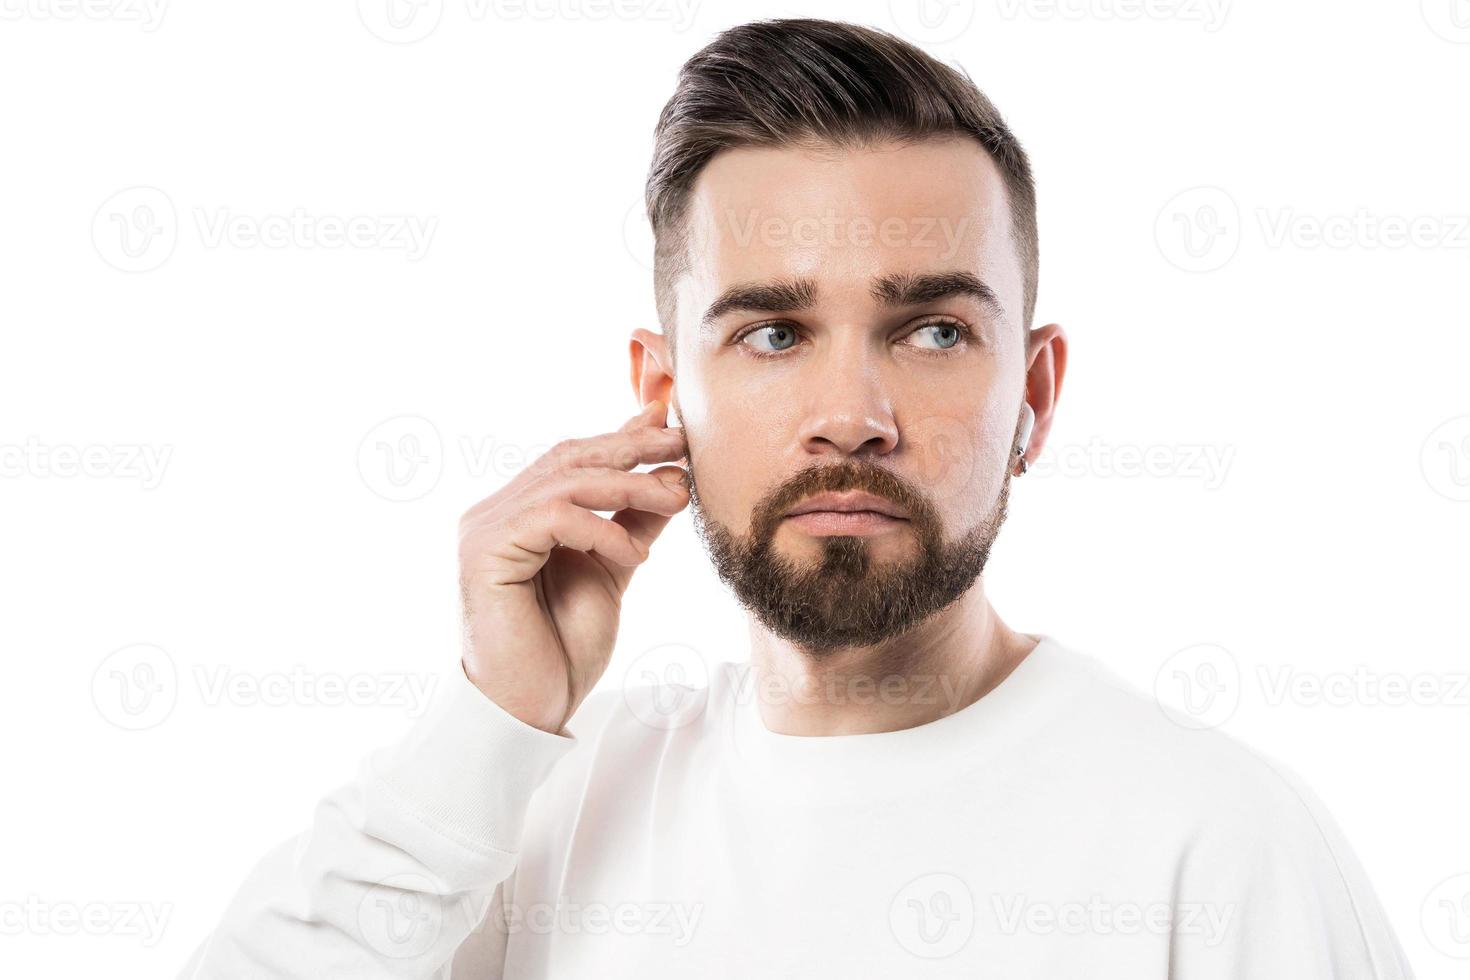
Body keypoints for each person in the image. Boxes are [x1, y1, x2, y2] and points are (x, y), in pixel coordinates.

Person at [181, 18, 1412, 979]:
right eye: (774, 332)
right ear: (665, 391)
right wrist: (490, 718)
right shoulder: (540, 815)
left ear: (1033, 391)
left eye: (931, 328)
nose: (852, 410)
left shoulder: (1219, 842)